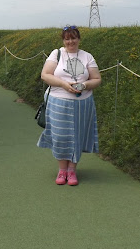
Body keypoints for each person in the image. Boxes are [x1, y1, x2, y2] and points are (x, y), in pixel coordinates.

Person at [37, 25, 102, 186]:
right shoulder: (56, 54)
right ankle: (62, 170)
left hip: (82, 104)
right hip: (58, 102)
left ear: (79, 39)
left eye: (73, 38)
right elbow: (45, 75)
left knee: (77, 136)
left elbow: (97, 79)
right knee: (60, 136)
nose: (70, 41)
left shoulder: (87, 56)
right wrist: (64, 84)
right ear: (63, 40)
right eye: (67, 38)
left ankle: (72, 171)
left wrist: (84, 85)